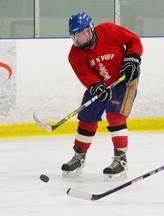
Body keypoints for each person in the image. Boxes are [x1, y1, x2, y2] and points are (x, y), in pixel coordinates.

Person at [61, 11, 143, 181]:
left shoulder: (109, 30)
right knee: (87, 116)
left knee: (115, 114)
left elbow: (133, 40)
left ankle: (120, 159)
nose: (81, 38)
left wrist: (133, 58)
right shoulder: (75, 55)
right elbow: (85, 75)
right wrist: (95, 85)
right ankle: (79, 156)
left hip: (124, 79)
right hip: (101, 85)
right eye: (77, 36)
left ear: (91, 29)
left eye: (83, 33)